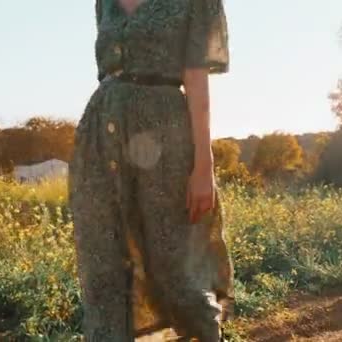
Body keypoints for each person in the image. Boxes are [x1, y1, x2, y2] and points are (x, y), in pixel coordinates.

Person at [68, 0, 235, 340]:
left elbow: (197, 81)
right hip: (101, 140)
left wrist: (204, 166)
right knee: (105, 267)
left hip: (166, 142)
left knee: (176, 267)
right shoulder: (105, 3)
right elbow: (111, 73)